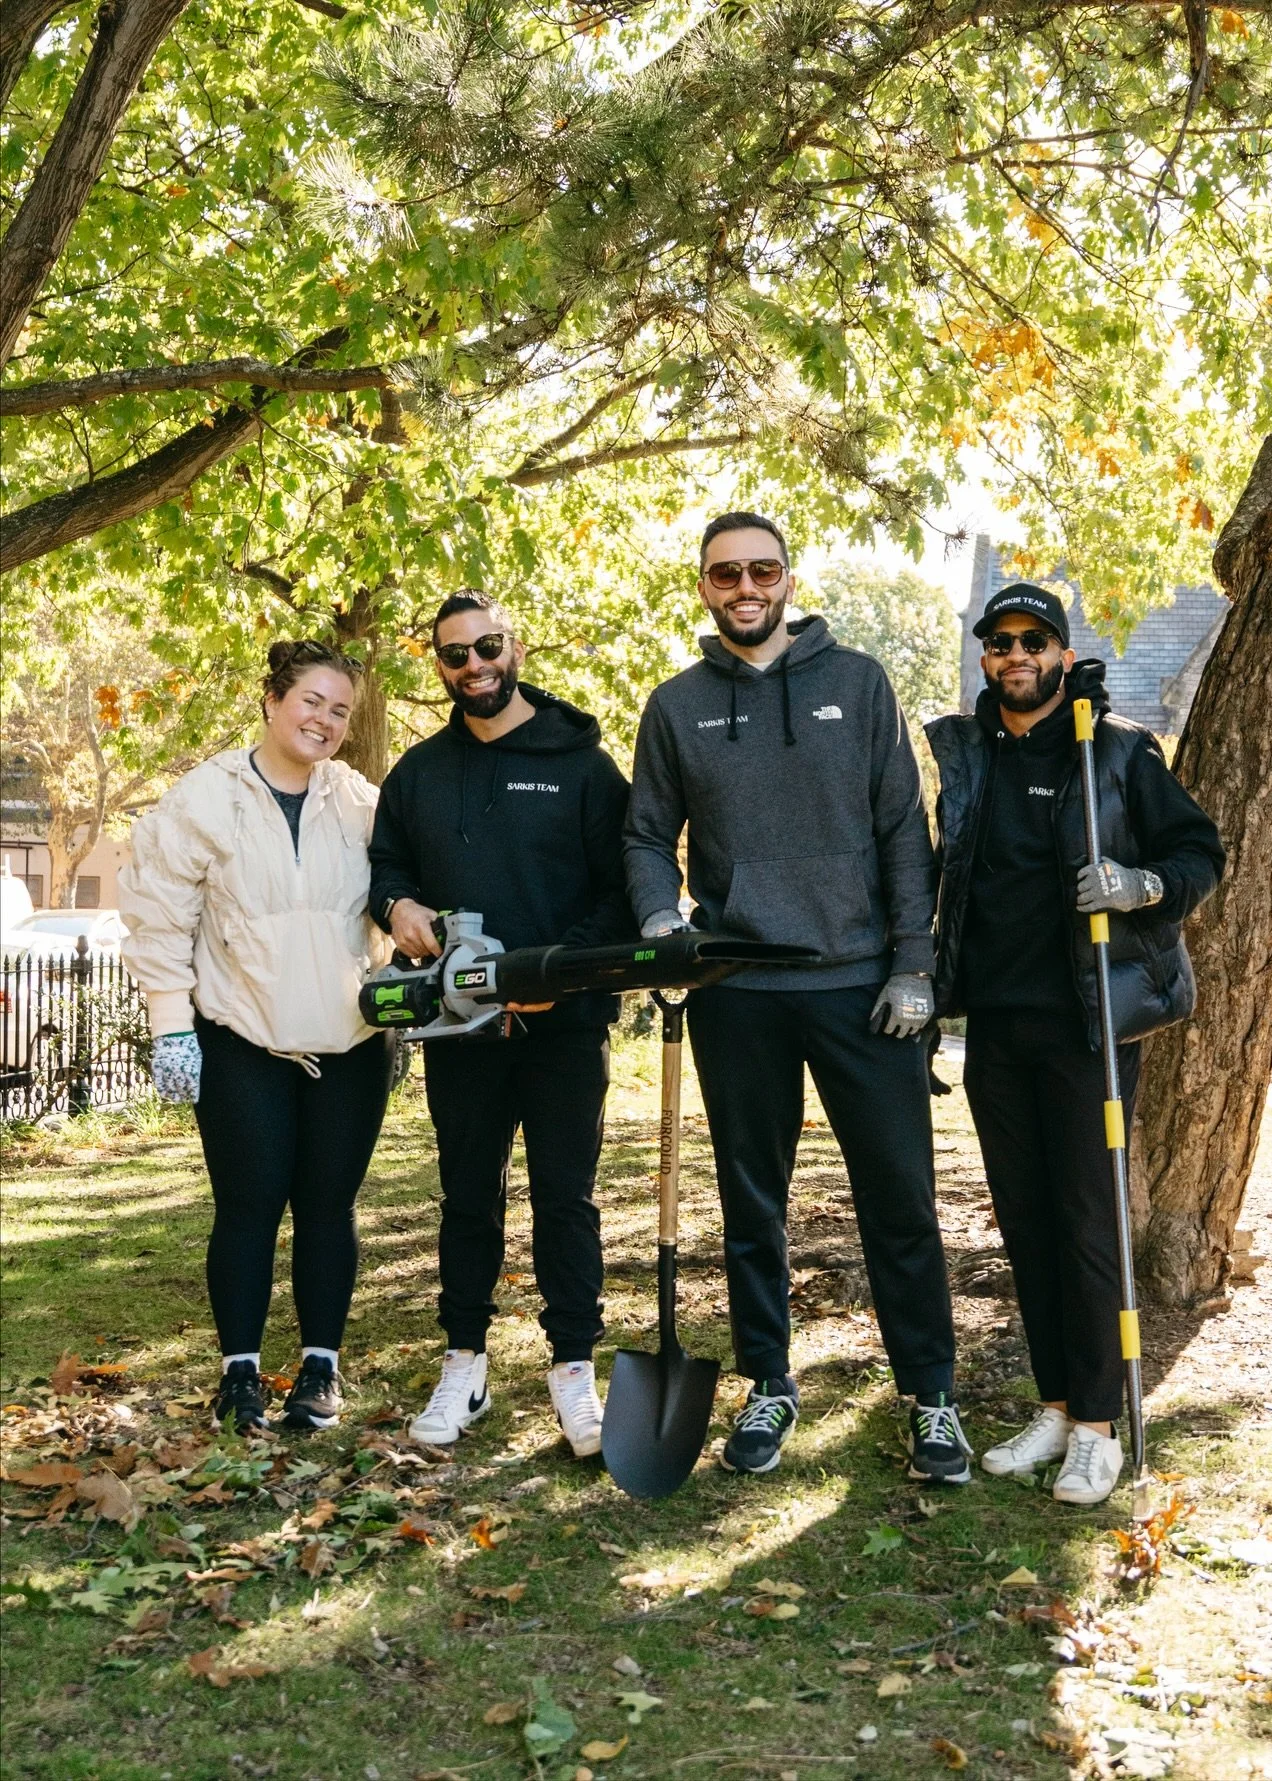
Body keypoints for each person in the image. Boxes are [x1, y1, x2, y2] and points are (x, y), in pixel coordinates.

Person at [624, 511, 968, 1483]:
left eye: (761, 568)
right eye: (726, 572)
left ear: (787, 577)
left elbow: (904, 829)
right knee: (752, 1205)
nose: (745, 585)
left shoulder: (857, 683)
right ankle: (768, 1382)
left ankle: (930, 1395)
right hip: (739, 987)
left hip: (863, 988)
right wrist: (661, 920)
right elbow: (645, 834)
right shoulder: (677, 704)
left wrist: (914, 963)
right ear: (704, 586)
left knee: (899, 1199)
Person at [927, 583, 1225, 1506]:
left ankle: (1098, 1425)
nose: (1015, 655)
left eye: (1033, 641)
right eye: (999, 642)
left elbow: (1199, 853)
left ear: (1060, 654)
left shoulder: (1119, 748)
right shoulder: (970, 754)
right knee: (1025, 1223)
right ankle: (1055, 1404)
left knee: (1090, 1225)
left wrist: (1139, 884)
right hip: (999, 1029)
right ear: (986, 657)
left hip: (1088, 1025)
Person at [368, 591, 633, 1458]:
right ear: (438, 666)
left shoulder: (584, 765)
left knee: (567, 1200)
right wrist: (397, 902)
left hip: (563, 1029)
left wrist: (559, 974)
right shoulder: (417, 772)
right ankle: (466, 1362)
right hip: (462, 1030)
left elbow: (621, 886)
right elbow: (384, 868)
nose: (474, 666)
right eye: (455, 655)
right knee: (467, 1200)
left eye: (487, 647)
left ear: (513, 646)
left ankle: (573, 1370)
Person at [119, 640, 393, 1434]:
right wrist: (173, 1026)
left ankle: (320, 1370)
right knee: (247, 1204)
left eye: (341, 710)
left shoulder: (359, 801)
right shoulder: (207, 798)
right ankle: (240, 1375)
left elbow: (401, 887)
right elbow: (159, 915)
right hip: (242, 1042)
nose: (326, 720)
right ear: (272, 699)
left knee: (328, 1205)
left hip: (349, 1042)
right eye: (312, 700)